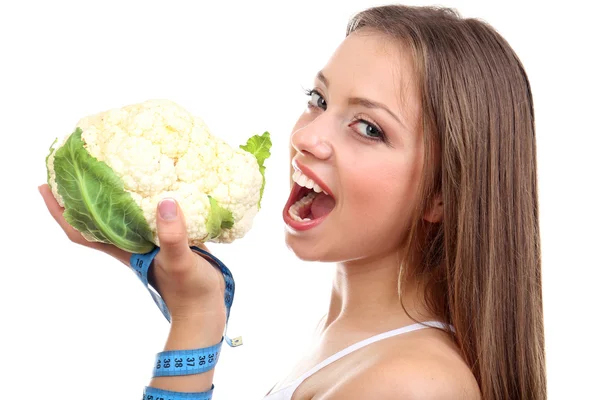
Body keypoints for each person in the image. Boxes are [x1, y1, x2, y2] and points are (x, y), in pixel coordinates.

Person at [38, 4, 546, 400]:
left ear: (441, 194)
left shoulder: (411, 383)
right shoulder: (348, 339)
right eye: (319, 101)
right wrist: (199, 307)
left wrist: (196, 321)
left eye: (368, 128)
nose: (308, 137)